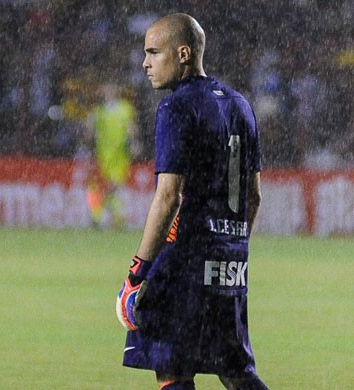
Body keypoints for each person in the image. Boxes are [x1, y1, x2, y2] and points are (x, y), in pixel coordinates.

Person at [115, 13, 269, 390]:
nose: (145, 63)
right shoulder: (240, 105)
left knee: (172, 367)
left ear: (183, 54)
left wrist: (137, 273)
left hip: (185, 260)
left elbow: (168, 196)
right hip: (229, 263)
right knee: (235, 371)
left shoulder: (177, 106)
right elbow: (254, 195)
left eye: (154, 52)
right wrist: (232, 249)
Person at [85, 81, 139, 228]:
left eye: (109, 91)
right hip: (102, 155)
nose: (106, 94)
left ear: (115, 92)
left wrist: (134, 143)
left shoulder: (125, 109)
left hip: (119, 154)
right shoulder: (98, 111)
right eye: (105, 91)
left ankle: (106, 216)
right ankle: (106, 217)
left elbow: (131, 127)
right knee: (101, 186)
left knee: (115, 185)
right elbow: (89, 132)